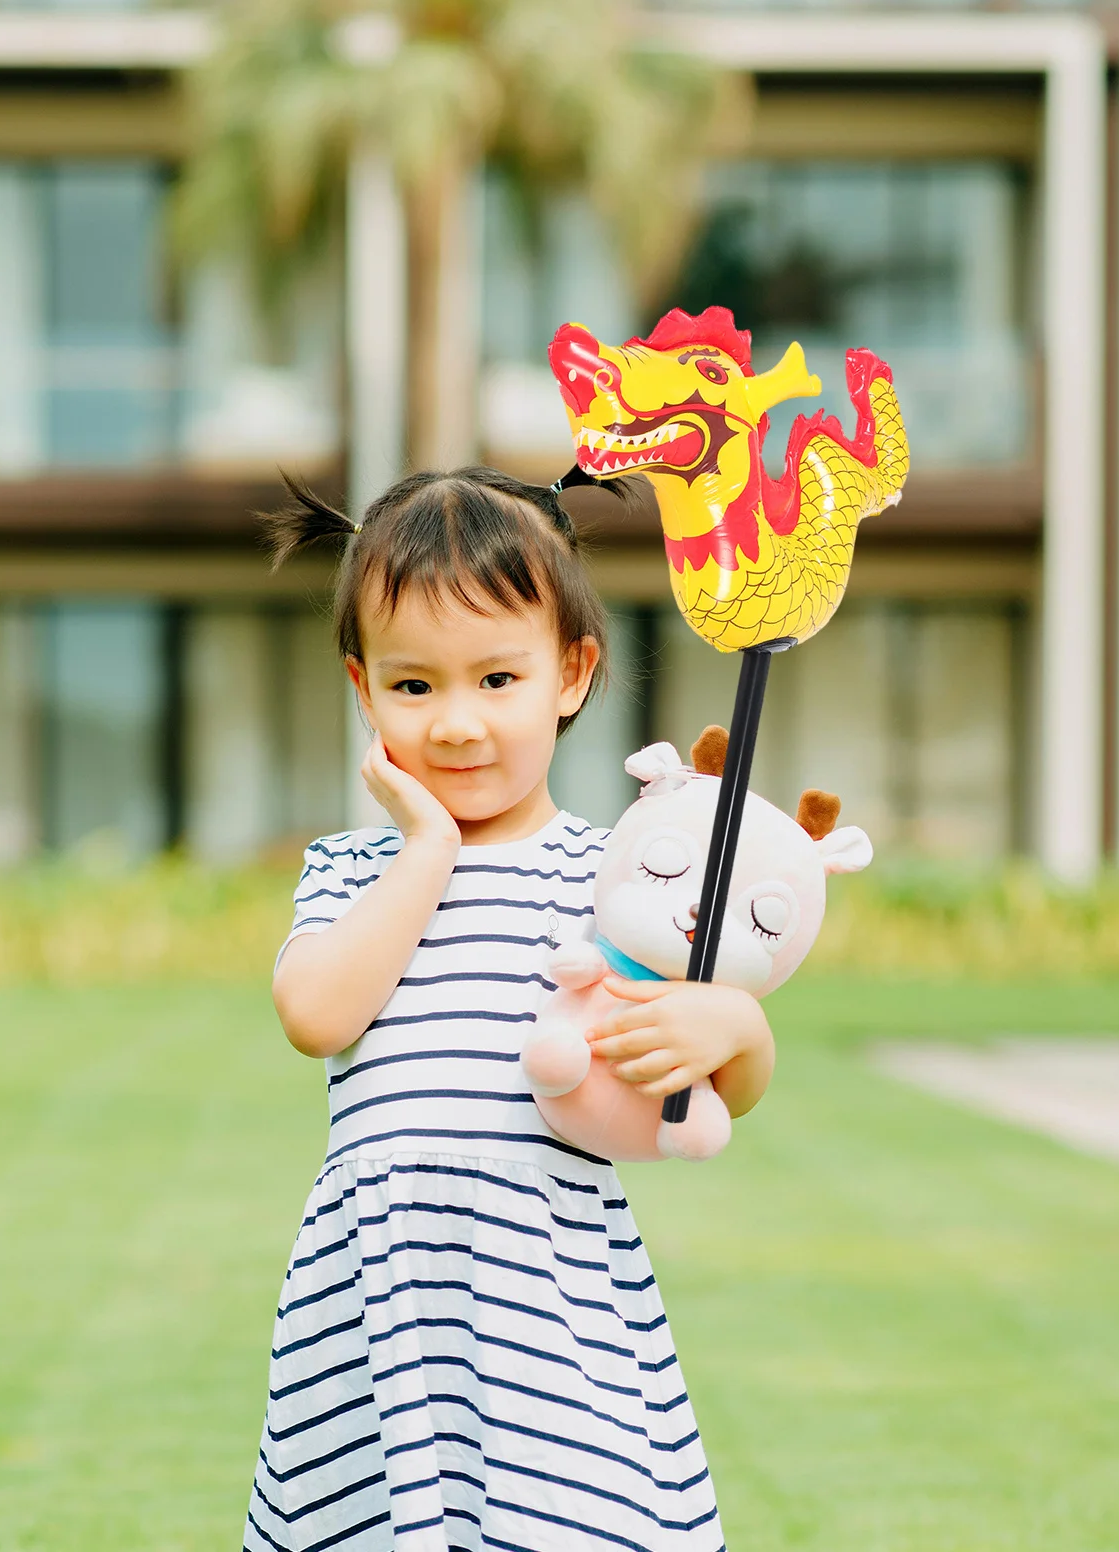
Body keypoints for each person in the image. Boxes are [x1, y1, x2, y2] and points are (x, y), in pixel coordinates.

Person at [245, 467, 775, 1552]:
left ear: (570, 673)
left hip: (548, 1295)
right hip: (379, 1299)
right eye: (413, 685)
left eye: (497, 678)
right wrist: (428, 846)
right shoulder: (352, 871)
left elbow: (718, 1082)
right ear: (362, 689)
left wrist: (737, 1029)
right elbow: (316, 1015)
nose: (456, 723)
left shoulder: (613, 876)